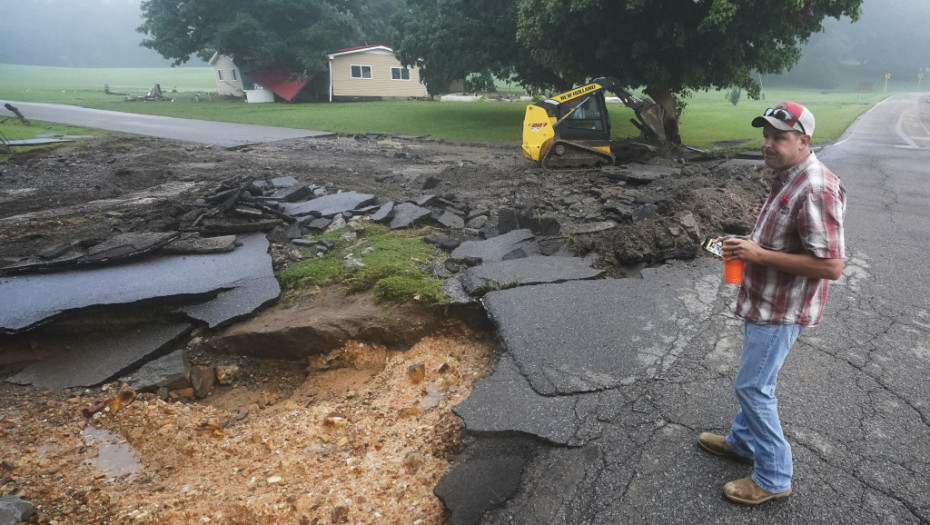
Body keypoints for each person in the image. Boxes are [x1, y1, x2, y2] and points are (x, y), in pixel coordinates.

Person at [698, 102, 847, 504]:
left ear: (804, 140)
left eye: (779, 137)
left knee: (753, 387)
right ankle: (742, 442)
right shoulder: (786, 176)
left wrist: (758, 256)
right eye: (765, 135)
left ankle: (774, 476)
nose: (768, 144)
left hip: (782, 310)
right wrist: (745, 248)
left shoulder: (815, 186)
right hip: (764, 301)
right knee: (757, 383)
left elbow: (832, 265)